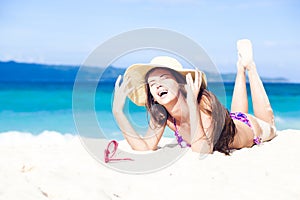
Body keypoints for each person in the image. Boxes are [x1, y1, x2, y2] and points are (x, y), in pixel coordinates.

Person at [112, 39, 277, 155]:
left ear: (180, 84)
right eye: (152, 83)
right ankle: (240, 68)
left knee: (270, 125)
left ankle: (250, 67)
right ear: (153, 96)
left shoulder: (202, 102)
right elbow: (146, 146)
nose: (158, 85)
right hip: (233, 120)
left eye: (164, 78)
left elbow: (202, 149)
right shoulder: (162, 114)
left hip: (252, 130)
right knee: (237, 113)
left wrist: (192, 105)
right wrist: (118, 113)